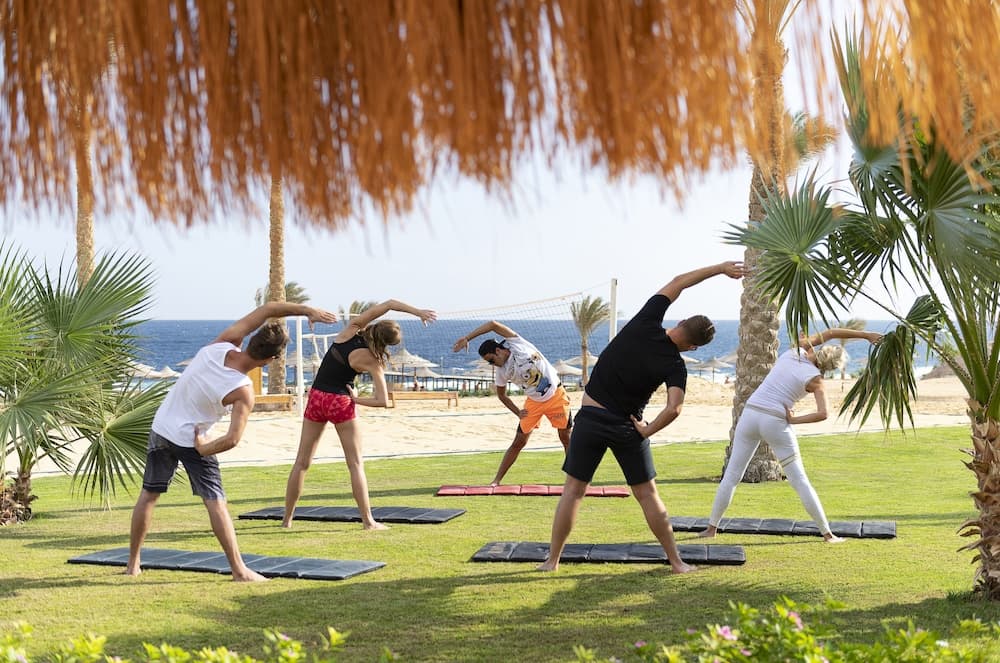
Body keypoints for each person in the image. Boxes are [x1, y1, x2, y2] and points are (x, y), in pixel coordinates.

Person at [537, 261, 745, 573]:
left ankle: (552, 561)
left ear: (681, 321)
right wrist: (646, 431)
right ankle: (677, 563)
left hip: (591, 418)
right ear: (692, 347)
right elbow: (674, 408)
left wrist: (720, 269)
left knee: (573, 492)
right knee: (647, 495)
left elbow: (679, 281)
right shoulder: (676, 366)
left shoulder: (646, 321)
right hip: (627, 428)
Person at [126, 302, 338, 581]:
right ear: (270, 360)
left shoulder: (218, 347)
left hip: (162, 428)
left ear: (250, 341)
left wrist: (307, 311)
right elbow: (232, 439)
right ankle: (239, 570)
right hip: (190, 440)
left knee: (149, 495)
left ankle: (133, 565)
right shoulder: (242, 390)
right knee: (215, 502)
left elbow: (267, 309)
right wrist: (204, 448)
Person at [698, 327, 883, 543]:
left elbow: (831, 332)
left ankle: (711, 529)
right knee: (799, 480)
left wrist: (866, 335)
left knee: (732, 476)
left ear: (820, 350)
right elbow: (823, 413)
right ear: (831, 368)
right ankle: (828, 534)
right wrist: (794, 420)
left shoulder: (797, 351)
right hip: (775, 421)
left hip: (750, 414)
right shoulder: (816, 380)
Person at [283, 299, 436, 530]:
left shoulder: (350, 330)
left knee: (302, 463)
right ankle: (368, 521)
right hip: (340, 401)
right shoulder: (374, 361)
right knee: (355, 464)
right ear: (387, 344)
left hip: (316, 396)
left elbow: (389, 303)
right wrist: (356, 399)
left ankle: (287, 520)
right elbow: (383, 401)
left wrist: (418, 312)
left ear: (376, 326)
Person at [452, 321, 572, 486]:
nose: (492, 364)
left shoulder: (518, 345)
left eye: (492, 360)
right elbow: (502, 395)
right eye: (489, 363)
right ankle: (496, 481)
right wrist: (517, 412)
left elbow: (493, 324)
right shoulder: (501, 372)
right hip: (534, 403)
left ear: (498, 350)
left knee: (566, 438)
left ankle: (573, 480)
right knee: (519, 442)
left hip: (556, 395)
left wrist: (467, 338)